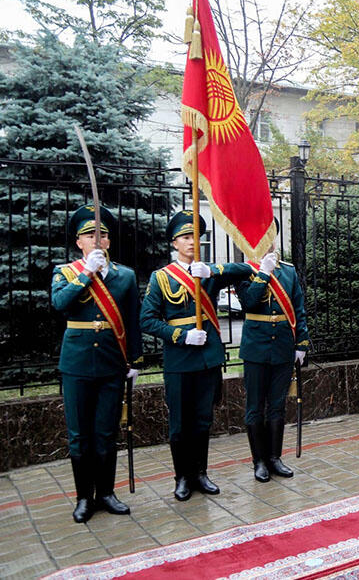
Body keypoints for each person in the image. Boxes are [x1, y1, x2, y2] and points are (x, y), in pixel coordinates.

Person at [140, 210, 253, 499]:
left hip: (208, 359)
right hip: (179, 359)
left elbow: (247, 270)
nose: (193, 242)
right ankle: (182, 477)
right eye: (186, 237)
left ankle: (201, 474)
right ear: (174, 243)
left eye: (196, 237)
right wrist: (181, 335)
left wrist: (212, 271)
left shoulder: (206, 273)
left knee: (203, 419)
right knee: (179, 423)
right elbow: (148, 320)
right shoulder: (161, 278)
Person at [52, 206, 141, 523]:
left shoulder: (125, 276)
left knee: (106, 431)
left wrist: (134, 360)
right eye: (91, 235)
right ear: (79, 242)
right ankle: (83, 498)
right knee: (79, 435)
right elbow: (61, 304)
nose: (98, 239)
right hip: (76, 364)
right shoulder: (64, 272)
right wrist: (86, 274)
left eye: (103, 234)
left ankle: (105, 493)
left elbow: (132, 321)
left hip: (111, 364)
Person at [236, 221, 310, 482]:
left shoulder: (288, 272)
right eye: (261, 235)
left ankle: (275, 457)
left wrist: (301, 343)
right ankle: (259, 461)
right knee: (255, 405)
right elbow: (248, 302)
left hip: (282, 346)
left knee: (277, 405)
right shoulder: (245, 271)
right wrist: (263, 273)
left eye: (271, 235)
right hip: (256, 348)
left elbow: (299, 310)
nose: (267, 241)